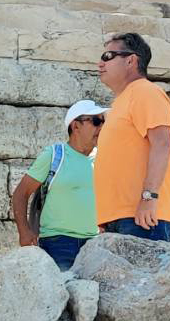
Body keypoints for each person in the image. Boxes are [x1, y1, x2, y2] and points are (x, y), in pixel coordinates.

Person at [94, 32, 170, 240]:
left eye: (107, 57)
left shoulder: (146, 92)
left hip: (141, 218)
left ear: (130, 60)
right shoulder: (122, 101)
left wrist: (149, 198)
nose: (100, 63)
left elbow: (162, 144)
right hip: (119, 219)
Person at [11, 100, 108, 271]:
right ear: (76, 126)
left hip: (94, 246)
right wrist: (24, 232)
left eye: (104, 121)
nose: (102, 127)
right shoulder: (55, 155)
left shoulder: (103, 159)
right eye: (96, 121)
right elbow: (21, 193)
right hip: (58, 244)